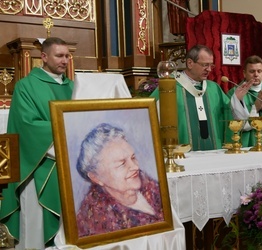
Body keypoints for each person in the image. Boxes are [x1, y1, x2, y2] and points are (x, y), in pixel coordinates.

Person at [0, 37, 74, 248]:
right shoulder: (26, 86)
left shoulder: (74, 87)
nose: (65, 61)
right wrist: (66, 131)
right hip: (40, 165)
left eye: (67, 56)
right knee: (36, 228)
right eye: (59, 56)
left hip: (72, 166)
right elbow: (27, 126)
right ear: (43, 57)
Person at [75, 123, 164, 237]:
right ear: (96, 178)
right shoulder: (95, 221)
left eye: (133, 158)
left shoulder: (149, 185)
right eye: (122, 164)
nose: (135, 167)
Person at [151, 45, 230, 151]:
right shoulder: (169, 86)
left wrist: (238, 100)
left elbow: (230, 112)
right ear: (190, 63)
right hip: (181, 155)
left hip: (214, 153)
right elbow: (150, 115)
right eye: (205, 65)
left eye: (211, 65)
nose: (209, 69)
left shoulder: (213, 88)